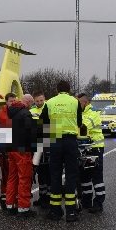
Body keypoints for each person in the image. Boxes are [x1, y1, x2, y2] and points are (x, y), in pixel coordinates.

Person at [39, 80, 83, 222]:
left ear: (57, 90)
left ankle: (55, 211)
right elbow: (79, 122)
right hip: (70, 141)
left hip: (55, 140)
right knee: (71, 175)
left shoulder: (50, 102)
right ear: (69, 90)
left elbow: (43, 122)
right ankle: (71, 212)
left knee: (55, 175)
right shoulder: (75, 102)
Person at [5, 94, 37, 217]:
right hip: (22, 150)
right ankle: (23, 208)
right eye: (32, 104)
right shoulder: (25, 113)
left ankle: (10, 204)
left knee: (12, 177)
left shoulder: (11, 111)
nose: (31, 106)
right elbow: (30, 134)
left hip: (11, 149)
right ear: (28, 102)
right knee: (24, 178)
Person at [77, 93, 105, 213]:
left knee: (96, 176)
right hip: (84, 149)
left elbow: (82, 128)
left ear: (85, 102)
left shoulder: (93, 114)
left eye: (79, 103)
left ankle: (99, 202)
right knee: (85, 177)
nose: (77, 106)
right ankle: (87, 201)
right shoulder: (81, 113)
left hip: (95, 148)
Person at [29, 91, 50, 209]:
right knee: (40, 172)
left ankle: (49, 197)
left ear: (44, 99)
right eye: (37, 101)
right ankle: (42, 197)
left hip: (48, 144)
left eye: (41, 100)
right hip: (36, 146)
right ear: (34, 101)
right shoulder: (31, 111)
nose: (39, 103)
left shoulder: (49, 108)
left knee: (49, 171)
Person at [0, 93, 16, 207]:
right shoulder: (3, 112)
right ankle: (5, 195)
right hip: (5, 146)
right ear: (6, 102)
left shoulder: (14, 111)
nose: (12, 103)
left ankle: (10, 195)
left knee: (12, 174)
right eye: (10, 101)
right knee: (5, 173)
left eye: (14, 101)